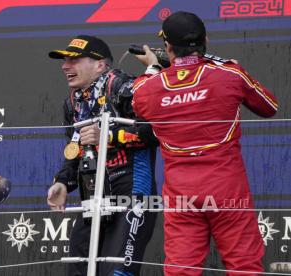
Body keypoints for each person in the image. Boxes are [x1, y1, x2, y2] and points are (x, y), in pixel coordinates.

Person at [131, 11, 278, 275]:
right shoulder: (230, 75)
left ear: (167, 47)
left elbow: (138, 93)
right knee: (245, 266)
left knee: (180, 270)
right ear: (206, 40)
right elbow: (270, 107)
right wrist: (235, 71)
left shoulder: (148, 88)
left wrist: (154, 64)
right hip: (227, 191)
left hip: (182, 196)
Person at [46, 35, 158, 276]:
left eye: (75, 60)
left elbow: (156, 130)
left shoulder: (122, 86)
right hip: (94, 192)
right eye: (65, 61)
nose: (65, 66)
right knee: (78, 268)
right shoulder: (73, 103)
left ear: (100, 64)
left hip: (132, 190)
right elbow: (76, 148)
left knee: (116, 271)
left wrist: (107, 136)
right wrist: (63, 182)